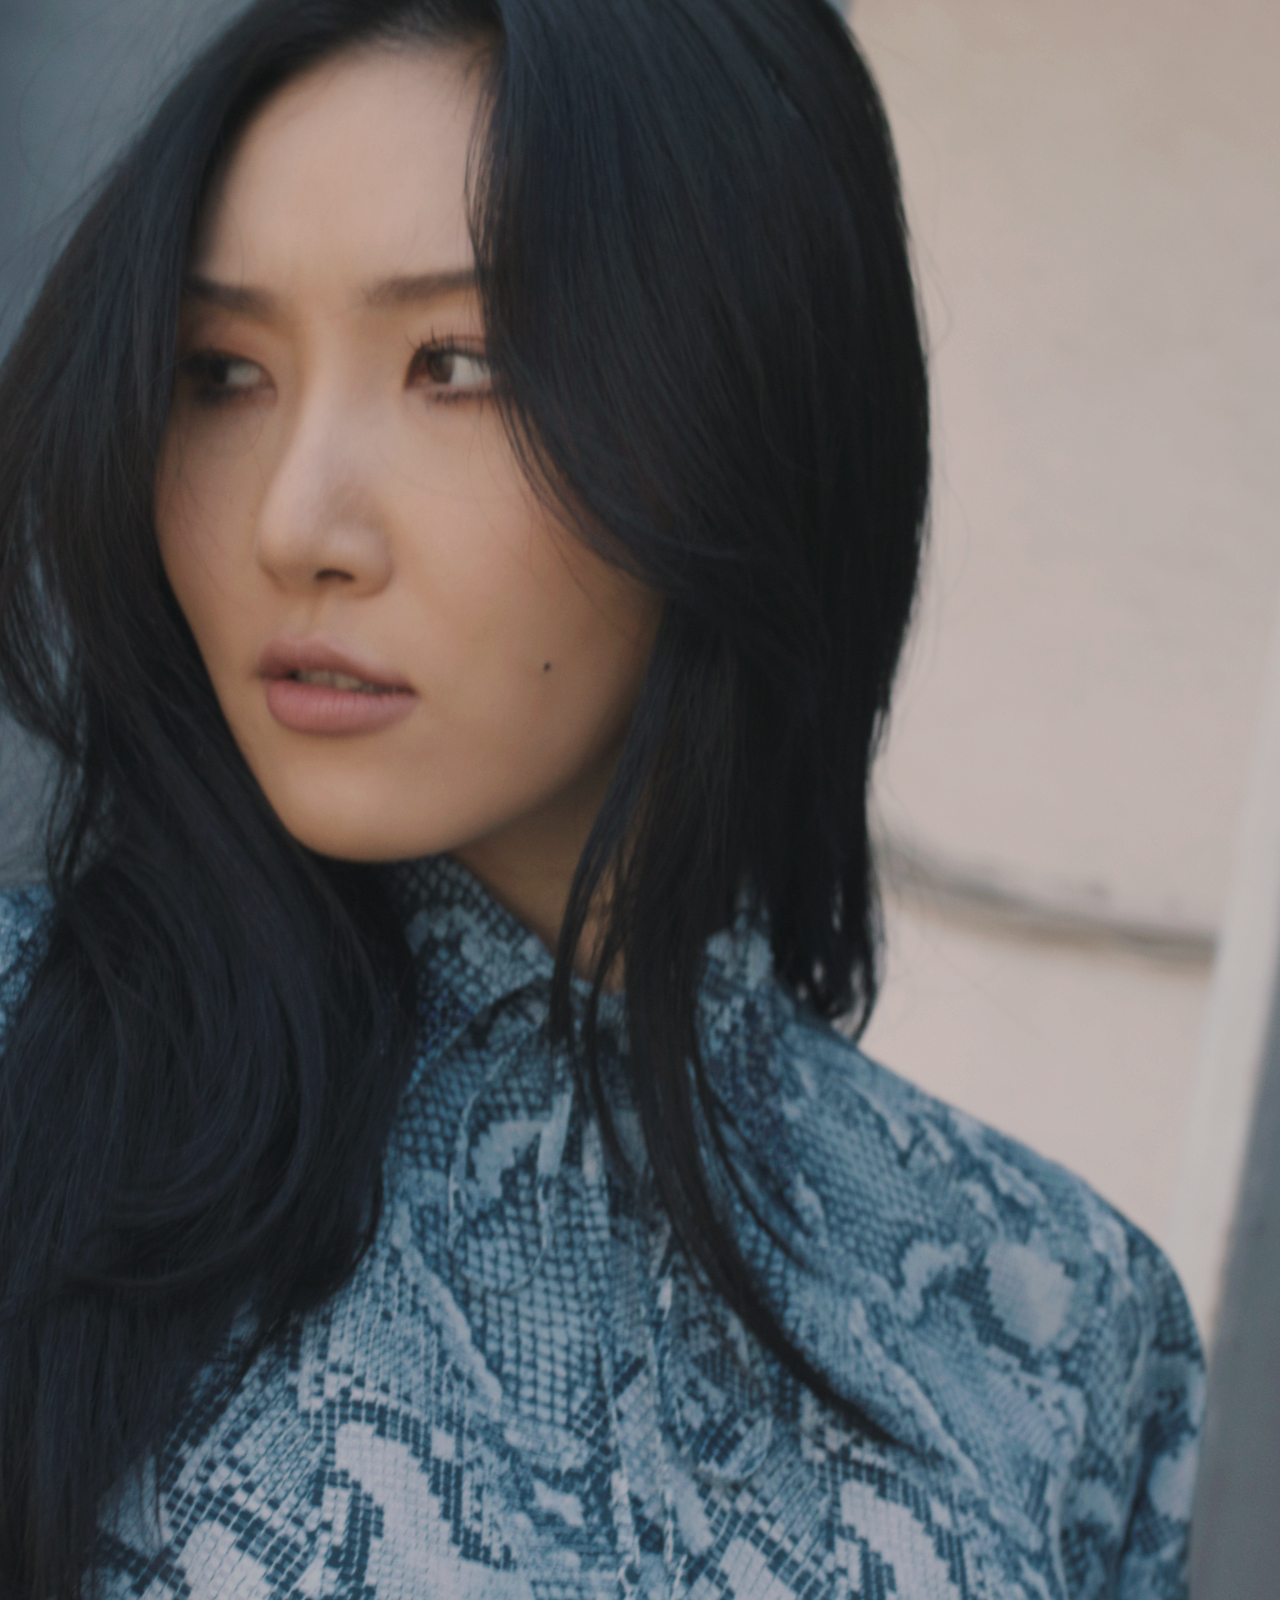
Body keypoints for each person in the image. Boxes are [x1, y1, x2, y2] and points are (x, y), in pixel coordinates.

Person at [0, 1, 1201, 1595]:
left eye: (457, 364)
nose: (294, 523)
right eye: (220, 371)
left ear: (746, 407)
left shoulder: (1061, 1330)